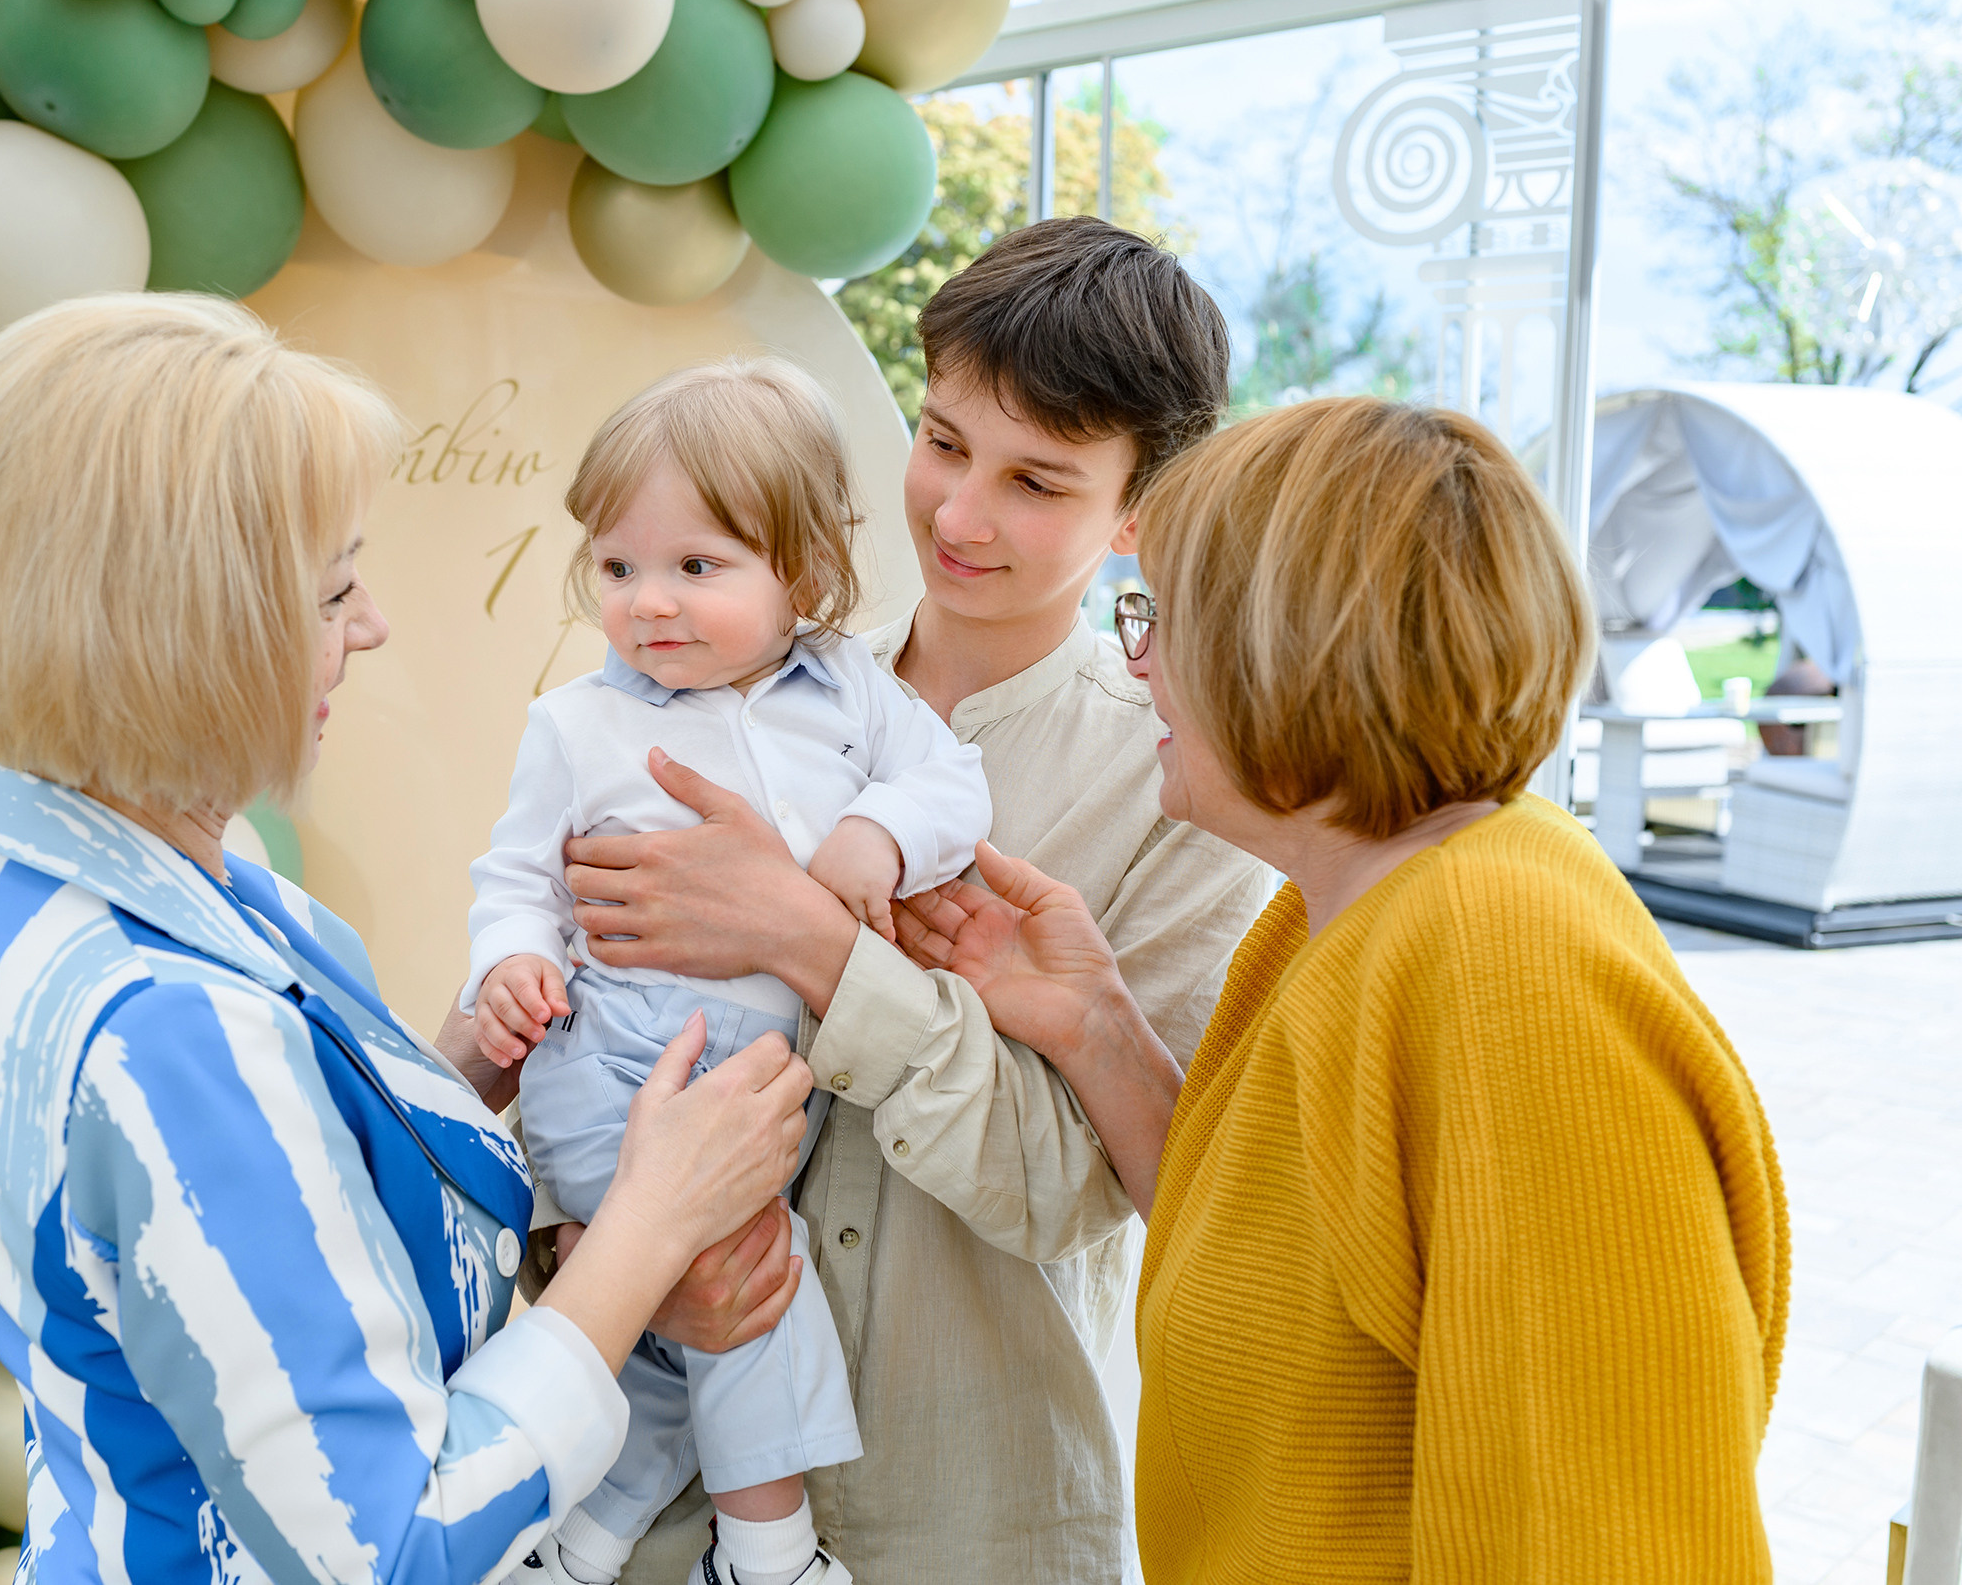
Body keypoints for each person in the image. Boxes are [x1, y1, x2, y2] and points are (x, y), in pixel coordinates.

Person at [0, 292, 817, 1585]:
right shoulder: (171, 1028)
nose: (369, 626)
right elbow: (391, 1549)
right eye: (333, 591)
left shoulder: (47, 870)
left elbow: (240, 1242)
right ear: (190, 633)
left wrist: (466, 1065)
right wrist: (654, 1226)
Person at [453, 217, 1276, 1582]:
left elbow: (1078, 1193)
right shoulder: (698, 676)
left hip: (967, 1524)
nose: (958, 516)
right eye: (944, 442)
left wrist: (810, 942)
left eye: (1036, 481)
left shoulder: (1182, 786)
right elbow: (555, 1028)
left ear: (1141, 509)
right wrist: (598, 1246)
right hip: (664, 1515)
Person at [896, 395, 1791, 1578]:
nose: (1138, 660)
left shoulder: (1505, 966)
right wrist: (1096, 1024)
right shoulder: (1344, 911)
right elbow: (1291, 1271)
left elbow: (1607, 1537)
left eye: (1160, 619)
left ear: (1287, 650)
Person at [467, 358, 993, 1585]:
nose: (648, 601)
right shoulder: (577, 723)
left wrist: (880, 834)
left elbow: (953, 783)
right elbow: (516, 878)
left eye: (697, 566)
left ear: (800, 571)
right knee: (759, 1282)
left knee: (679, 1335)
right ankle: (771, 1557)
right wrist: (512, 960)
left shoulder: (854, 692)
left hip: (758, 1083)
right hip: (616, 1071)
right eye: (617, 567)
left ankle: (574, 1546)